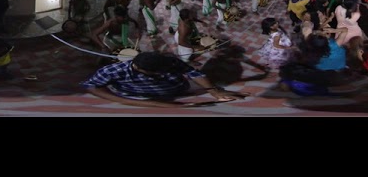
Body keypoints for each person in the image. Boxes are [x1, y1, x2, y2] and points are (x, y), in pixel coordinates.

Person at [80, 50, 247, 108]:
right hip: (137, 96)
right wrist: (116, 99)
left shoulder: (169, 61)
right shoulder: (113, 70)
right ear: (138, 68)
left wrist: (213, 91)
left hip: (179, 89)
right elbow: (91, 85)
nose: (161, 74)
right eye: (156, 74)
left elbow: (193, 73)